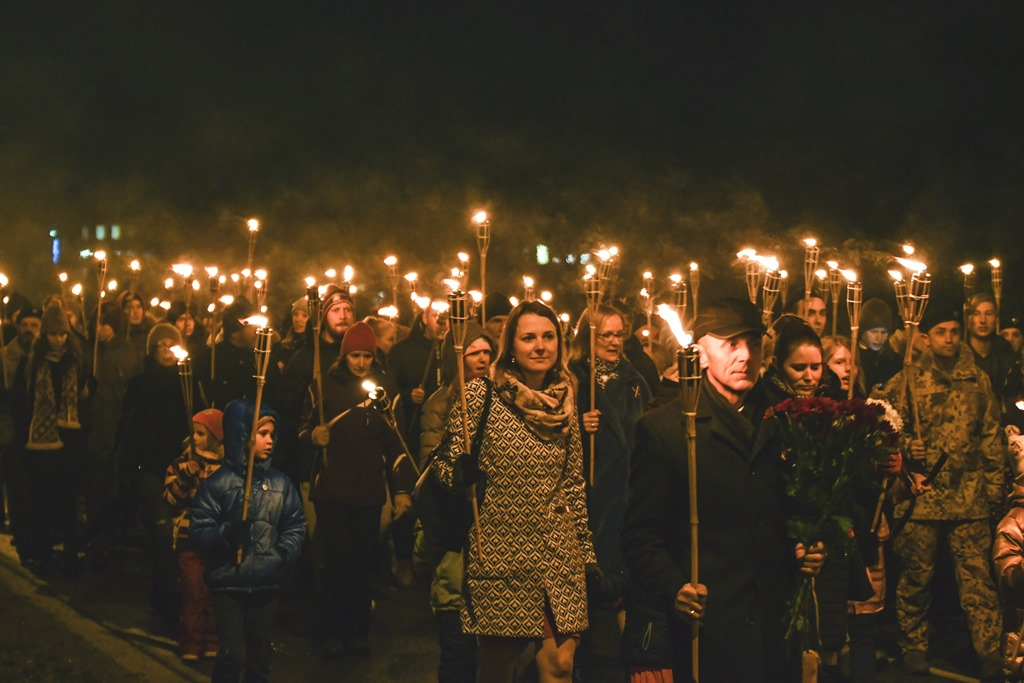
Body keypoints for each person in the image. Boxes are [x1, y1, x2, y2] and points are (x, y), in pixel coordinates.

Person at [621, 298, 826, 682]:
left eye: (753, 343)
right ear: (700, 352)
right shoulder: (666, 430)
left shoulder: (789, 419)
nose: (745, 355)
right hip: (712, 631)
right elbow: (640, 534)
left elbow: (798, 508)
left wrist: (809, 542)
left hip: (776, 626)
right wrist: (674, 586)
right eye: (731, 344)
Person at [434, 300, 595, 683]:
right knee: (498, 668)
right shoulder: (481, 394)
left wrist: (587, 554)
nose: (540, 346)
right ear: (511, 345)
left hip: (558, 551)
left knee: (560, 665)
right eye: (528, 338)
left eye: (548, 336)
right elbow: (442, 466)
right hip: (500, 550)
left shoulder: (566, 395)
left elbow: (572, 483)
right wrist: (459, 473)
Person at [881, 303, 1004, 680]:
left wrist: (994, 489)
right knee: (916, 578)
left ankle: (991, 654)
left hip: (969, 497)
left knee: (977, 582)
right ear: (925, 337)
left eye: (954, 330)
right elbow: (883, 432)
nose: (949, 338)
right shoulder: (906, 382)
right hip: (922, 498)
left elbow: (990, 435)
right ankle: (913, 647)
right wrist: (905, 449)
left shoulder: (977, 379)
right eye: (940, 331)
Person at [298, 321, 417, 657]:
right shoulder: (323, 385)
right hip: (332, 488)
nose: (362, 362)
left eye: (367, 355)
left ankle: (357, 630)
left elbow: (396, 442)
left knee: (362, 562)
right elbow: (301, 430)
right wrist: (313, 436)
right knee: (337, 560)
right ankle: (332, 629)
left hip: (368, 489)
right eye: (355, 355)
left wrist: (402, 490)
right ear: (344, 355)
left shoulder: (384, 390)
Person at [190, 400, 306, 683]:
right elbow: (200, 531)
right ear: (242, 435)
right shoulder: (217, 485)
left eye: (272, 435)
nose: (269, 441)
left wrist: (281, 554)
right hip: (228, 582)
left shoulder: (280, 484)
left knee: (259, 657)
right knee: (233, 654)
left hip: (265, 582)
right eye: (262, 433)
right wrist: (226, 534)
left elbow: (295, 524)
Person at [568, 303, 650, 681]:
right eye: (606, 335)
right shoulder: (573, 377)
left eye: (620, 334)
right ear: (590, 337)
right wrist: (577, 425)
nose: (615, 342)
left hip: (628, 487)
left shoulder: (636, 379)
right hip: (590, 489)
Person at [417, 320, 494, 683]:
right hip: (453, 526)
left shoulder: (502, 399)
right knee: (456, 627)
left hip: (493, 524)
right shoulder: (440, 404)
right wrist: (455, 473)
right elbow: (431, 465)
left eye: (487, 352)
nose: (481, 358)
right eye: (473, 352)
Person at [115, 322, 200, 622]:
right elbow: (129, 424)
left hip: (183, 469)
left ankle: (187, 594)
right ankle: (164, 594)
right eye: (160, 345)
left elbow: (199, 417)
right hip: (150, 469)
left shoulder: (187, 381)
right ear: (152, 350)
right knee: (163, 529)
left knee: (184, 532)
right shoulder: (140, 383)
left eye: (171, 344)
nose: (166, 350)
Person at [12, 302, 91, 578]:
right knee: (42, 503)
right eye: (53, 334)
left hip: (68, 446)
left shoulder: (76, 362)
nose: (58, 339)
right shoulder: (32, 363)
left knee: (67, 503)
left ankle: (70, 556)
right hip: (40, 448)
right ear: (44, 335)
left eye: (62, 334)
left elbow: (83, 402)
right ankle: (45, 556)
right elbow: (22, 402)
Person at [163, 408, 225, 661]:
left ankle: (212, 638)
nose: (196, 438)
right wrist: (188, 474)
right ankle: (190, 640)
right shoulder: (180, 463)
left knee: (213, 590)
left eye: (202, 433)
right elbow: (171, 498)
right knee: (193, 589)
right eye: (194, 433)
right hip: (189, 537)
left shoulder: (226, 467)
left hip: (217, 538)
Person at [967, 292, 1018, 410]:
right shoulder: (958, 353)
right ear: (969, 318)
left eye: (988, 314)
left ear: (996, 318)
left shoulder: (1006, 353)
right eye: (976, 314)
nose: (983, 320)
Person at [857, 298, 902, 396]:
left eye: (883, 332)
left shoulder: (896, 361)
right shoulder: (852, 358)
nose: (879, 338)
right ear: (862, 331)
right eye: (874, 332)